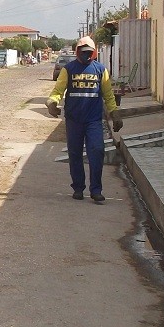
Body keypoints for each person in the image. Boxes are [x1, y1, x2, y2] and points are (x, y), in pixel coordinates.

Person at [46, 36, 123, 203]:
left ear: (94, 53)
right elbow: (58, 90)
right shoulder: (69, 70)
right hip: (74, 120)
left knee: (96, 151)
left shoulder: (100, 70)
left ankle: (96, 190)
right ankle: (78, 188)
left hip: (93, 121)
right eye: (83, 52)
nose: (86, 55)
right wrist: (52, 102)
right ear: (77, 52)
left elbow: (108, 95)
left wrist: (114, 113)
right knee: (75, 154)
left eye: (89, 52)